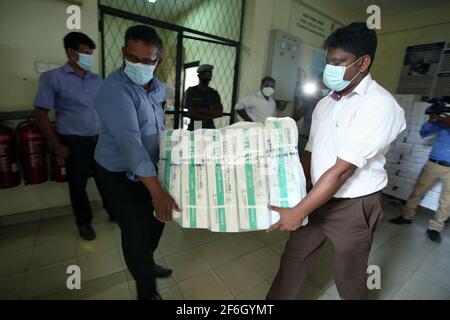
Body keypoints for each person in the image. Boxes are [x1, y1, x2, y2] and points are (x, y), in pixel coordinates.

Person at [265, 22, 406, 300]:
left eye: (338, 62)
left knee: (349, 277)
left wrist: (298, 211)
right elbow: (311, 150)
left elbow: (342, 171)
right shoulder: (325, 104)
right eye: (329, 62)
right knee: (292, 261)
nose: (330, 69)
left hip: (354, 205)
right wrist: (294, 189)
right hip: (317, 197)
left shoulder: (379, 105)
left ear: (363, 62)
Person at [94, 25, 179, 300]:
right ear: (123, 53)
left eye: (147, 60)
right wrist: (157, 192)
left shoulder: (158, 88)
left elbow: (157, 126)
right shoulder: (114, 90)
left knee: (157, 222)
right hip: (117, 172)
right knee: (135, 232)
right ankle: (147, 292)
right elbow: (130, 144)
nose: (139, 65)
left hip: (149, 169)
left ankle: (147, 262)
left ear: (158, 61)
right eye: (133, 58)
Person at [34, 32, 114, 241]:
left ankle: (114, 212)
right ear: (71, 52)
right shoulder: (53, 78)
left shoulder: (97, 80)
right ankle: (84, 222)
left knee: (106, 180)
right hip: (74, 143)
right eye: (85, 52)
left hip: (100, 141)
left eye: (91, 53)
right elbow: (41, 114)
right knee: (77, 185)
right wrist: (57, 146)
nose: (89, 57)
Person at [390, 110, 450, 243]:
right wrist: (431, 120)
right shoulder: (443, 124)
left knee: (447, 202)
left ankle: (435, 229)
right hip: (434, 164)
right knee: (417, 192)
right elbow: (424, 133)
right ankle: (406, 217)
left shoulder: (447, 122)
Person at [292, 73, 330, 154]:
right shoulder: (309, 101)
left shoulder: (332, 102)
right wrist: (306, 101)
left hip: (322, 143)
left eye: (325, 85)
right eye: (320, 84)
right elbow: (295, 117)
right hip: (305, 139)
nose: (321, 87)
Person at [184, 64, 223, 130]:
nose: (207, 78)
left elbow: (219, 113)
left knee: (211, 139)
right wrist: (209, 113)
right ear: (199, 76)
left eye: (209, 75)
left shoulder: (213, 93)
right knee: (196, 138)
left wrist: (203, 111)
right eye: (204, 75)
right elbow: (191, 113)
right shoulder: (191, 91)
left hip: (209, 125)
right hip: (197, 124)